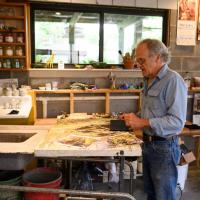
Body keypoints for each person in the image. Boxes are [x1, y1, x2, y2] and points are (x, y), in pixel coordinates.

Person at [121, 39, 187, 200]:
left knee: (163, 196)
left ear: (157, 58)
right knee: (151, 193)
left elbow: (177, 122)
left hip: (164, 148)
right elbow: (151, 112)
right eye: (137, 61)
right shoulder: (148, 79)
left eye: (141, 60)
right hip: (149, 145)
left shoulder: (173, 80)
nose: (138, 65)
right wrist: (133, 117)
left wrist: (141, 122)